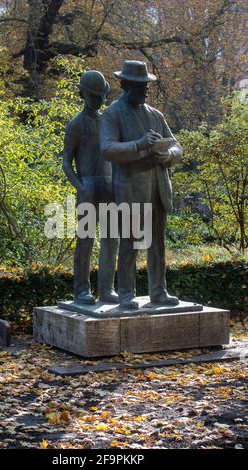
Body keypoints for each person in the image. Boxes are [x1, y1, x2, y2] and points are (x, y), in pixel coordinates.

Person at [101, 60, 183, 309]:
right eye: (139, 85)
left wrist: (168, 155)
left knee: (157, 242)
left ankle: (159, 291)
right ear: (125, 84)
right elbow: (107, 148)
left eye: (146, 85)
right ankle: (126, 293)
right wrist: (138, 144)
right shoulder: (112, 114)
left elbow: (177, 146)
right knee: (131, 242)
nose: (145, 89)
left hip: (158, 187)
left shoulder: (155, 115)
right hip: (130, 188)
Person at [63, 70, 118, 304]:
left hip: (109, 187)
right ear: (82, 94)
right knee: (85, 240)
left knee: (111, 239)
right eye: (95, 96)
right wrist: (80, 187)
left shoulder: (107, 122)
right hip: (88, 187)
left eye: (101, 97)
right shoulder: (76, 125)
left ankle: (107, 288)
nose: (99, 101)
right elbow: (66, 163)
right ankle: (81, 290)